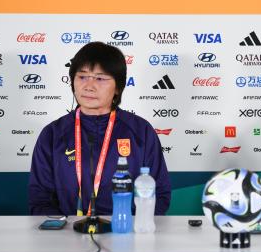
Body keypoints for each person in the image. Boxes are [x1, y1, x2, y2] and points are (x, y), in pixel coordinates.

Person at [29, 42, 171, 216]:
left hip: (125, 229)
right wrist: (64, 226)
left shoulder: (141, 131)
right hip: (68, 230)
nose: (89, 86)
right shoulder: (53, 134)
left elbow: (159, 194)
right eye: (82, 77)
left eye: (100, 78)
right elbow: (40, 198)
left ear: (118, 87)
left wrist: (130, 226)